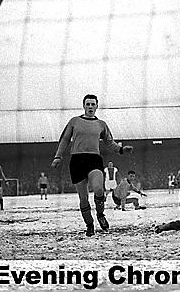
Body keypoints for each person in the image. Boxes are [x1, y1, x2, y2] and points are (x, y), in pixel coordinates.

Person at [51, 94, 134, 237]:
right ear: (83, 106)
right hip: (77, 161)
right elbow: (64, 139)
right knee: (83, 198)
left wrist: (121, 150)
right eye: (87, 104)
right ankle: (89, 225)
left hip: (94, 160)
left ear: (97, 106)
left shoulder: (101, 124)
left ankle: (100, 214)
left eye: (92, 104)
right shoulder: (74, 121)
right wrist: (58, 156)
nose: (90, 107)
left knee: (98, 189)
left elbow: (109, 143)